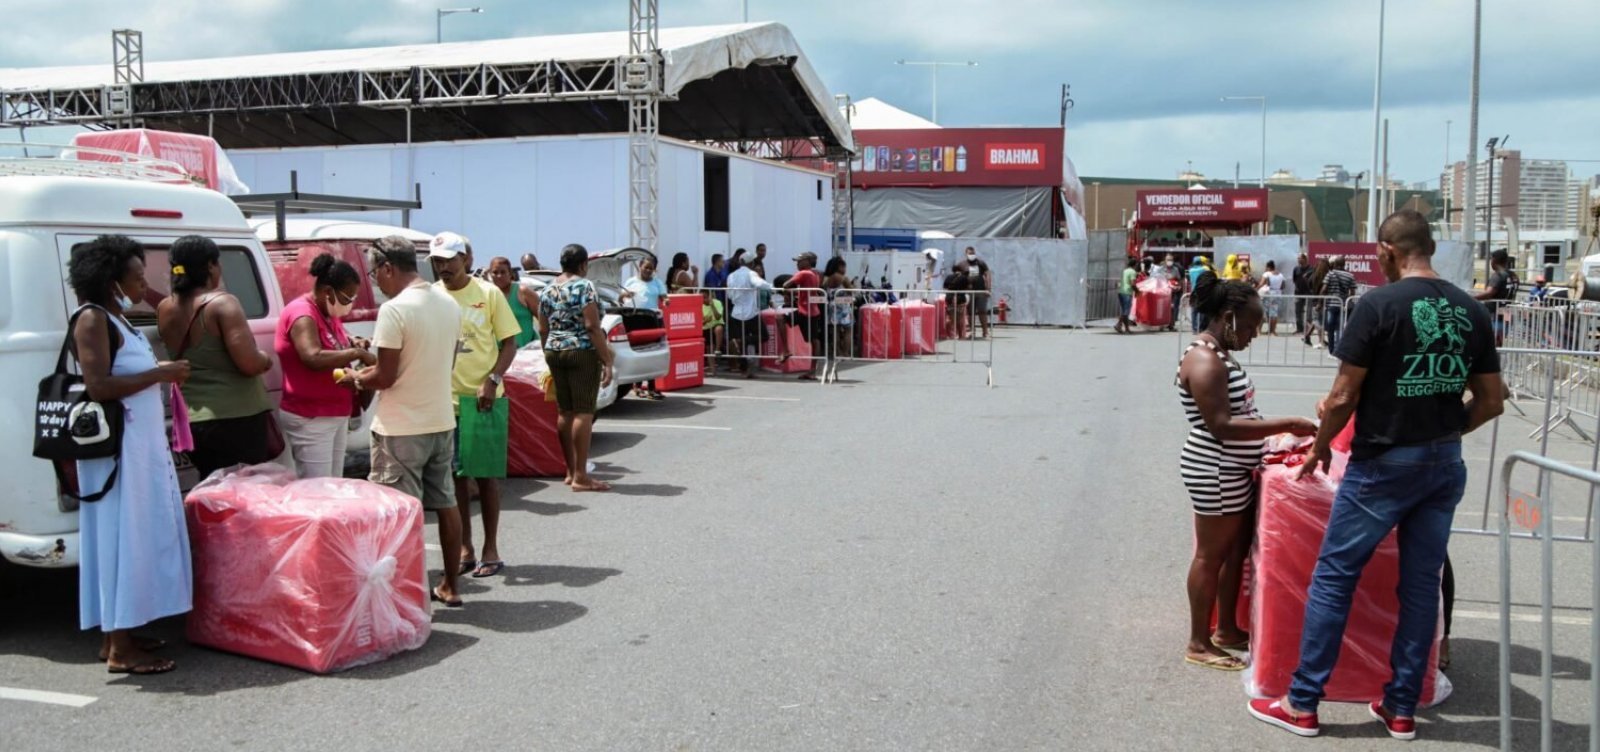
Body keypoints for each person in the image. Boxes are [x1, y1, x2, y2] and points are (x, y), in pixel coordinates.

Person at [1249, 210, 1504, 741]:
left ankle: (1302, 702)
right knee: (1418, 587)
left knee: (1334, 578)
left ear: (1387, 250)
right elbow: (1492, 400)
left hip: (1383, 463)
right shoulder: (1469, 309)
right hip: (1442, 462)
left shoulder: (1379, 305)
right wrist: (1447, 426)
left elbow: (1343, 395)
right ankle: (1402, 706)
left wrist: (1318, 449)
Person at [1177, 271, 1317, 674]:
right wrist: (1286, 424)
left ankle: (1226, 630)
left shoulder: (1220, 353)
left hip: (1232, 468)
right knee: (1211, 555)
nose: (1256, 333)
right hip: (1216, 469)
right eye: (1252, 325)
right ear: (1227, 316)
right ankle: (1199, 641)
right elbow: (1221, 424)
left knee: (1235, 552)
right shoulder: (1204, 359)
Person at [68, 235, 193, 675]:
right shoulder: (91, 319)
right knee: (124, 538)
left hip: (137, 450)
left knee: (137, 536)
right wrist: (159, 373)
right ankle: (121, 649)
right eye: (137, 276)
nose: (144, 284)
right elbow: (98, 386)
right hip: (117, 453)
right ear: (110, 279)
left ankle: (116, 633)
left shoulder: (116, 318)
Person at [346, 236, 465, 607]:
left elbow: (385, 376)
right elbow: (444, 361)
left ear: (387, 268)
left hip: (400, 428)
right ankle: (449, 585)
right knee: (446, 503)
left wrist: (356, 377)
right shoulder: (447, 303)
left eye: (374, 274)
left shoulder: (395, 310)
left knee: (399, 516)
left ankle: (403, 596)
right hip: (440, 418)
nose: (375, 282)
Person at [429, 233, 521, 581]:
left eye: (449, 260)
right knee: (454, 480)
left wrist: (493, 379)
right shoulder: (431, 295)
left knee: (485, 479)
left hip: (483, 400)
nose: (442, 267)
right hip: (442, 402)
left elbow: (509, 343)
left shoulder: (488, 293)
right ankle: (464, 547)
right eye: (437, 261)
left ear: (466, 259)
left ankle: (490, 548)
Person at [156, 235, 276, 480]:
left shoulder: (165, 308)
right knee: (243, 497)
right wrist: (265, 358)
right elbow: (249, 364)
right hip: (236, 418)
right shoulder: (223, 303)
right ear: (211, 266)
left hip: (193, 421)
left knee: (212, 493)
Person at [275, 254, 376, 479]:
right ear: (328, 291)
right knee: (318, 489)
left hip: (334, 413)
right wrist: (356, 353)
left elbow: (334, 338)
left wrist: (354, 340)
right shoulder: (303, 314)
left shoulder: (326, 312)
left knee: (332, 485)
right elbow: (312, 356)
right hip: (312, 417)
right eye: (347, 297)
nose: (350, 303)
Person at [537, 244, 615, 493]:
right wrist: (607, 360)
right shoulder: (584, 286)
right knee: (583, 412)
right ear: (583, 265)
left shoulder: (549, 288)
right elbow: (592, 325)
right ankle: (582, 475)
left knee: (565, 411)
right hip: (581, 350)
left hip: (554, 349)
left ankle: (570, 471)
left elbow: (542, 327)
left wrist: (548, 352)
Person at [622, 257, 668, 398]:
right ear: (640, 267)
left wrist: (666, 301)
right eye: (646, 267)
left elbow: (663, 297)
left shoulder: (657, 282)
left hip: (652, 320)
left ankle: (652, 387)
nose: (648, 270)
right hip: (635, 320)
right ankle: (637, 386)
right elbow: (620, 299)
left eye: (651, 268)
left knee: (652, 352)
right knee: (638, 352)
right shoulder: (631, 282)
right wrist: (625, 295)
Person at [726, 256, 776, 379]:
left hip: (736, 312)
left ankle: (746, 370)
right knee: (764, 335)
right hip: (750, 313)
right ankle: (742, 344)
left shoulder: (731, 276)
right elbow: (759, 283)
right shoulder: (750, 273)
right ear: (751, 263)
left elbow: (730, 295)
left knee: (742, 344)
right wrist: (773, 287)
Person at [783, 252, 825, 380]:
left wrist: (793, 291)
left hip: (805, 310)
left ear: (807, 261)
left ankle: (786, 350)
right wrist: (798, 292)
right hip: (812, 309)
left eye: (799, 261)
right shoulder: (816, 273)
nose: (797, 263)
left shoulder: (803, 273)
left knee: (813, 340)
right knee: (814, 340)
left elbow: (785, 285)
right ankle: (812, 370)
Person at [489, 256, 540, 348]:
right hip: (499, 356)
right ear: (490, 274)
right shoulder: (488, 296)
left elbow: (544, 320)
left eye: (503, 272)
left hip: (526, 354)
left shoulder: (523, 292)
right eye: (495, 272)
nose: (499, 276)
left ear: (510, 273)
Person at [1475, 248, 1519, 345]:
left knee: (1491, 344)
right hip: (1507, 314)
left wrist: (1471, 298)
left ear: (1494, 260)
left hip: (1494, 315)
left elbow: (1489, 293)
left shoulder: (1498, 275)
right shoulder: (1514, 276)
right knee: (1498, 343)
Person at [1319, 257, 1358, 350]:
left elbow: (1324, 289)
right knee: (1340, 328)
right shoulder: (1350, 275)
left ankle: (1331, 350)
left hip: (1331, 305)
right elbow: (1352, 293)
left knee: (1330, 328)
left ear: (1335, 264)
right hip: (1343, 305)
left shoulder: (1330, 274)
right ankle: (1339, 349)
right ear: (1344, 264)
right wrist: (1348, 301)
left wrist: (1320, 303)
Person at [954, 246, 992, 339]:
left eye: (973, 253)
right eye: (970, 253)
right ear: (966, 254)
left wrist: (988, 288)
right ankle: (972, 332)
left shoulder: (981, 263)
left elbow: (987, 274)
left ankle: (985, 332)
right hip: (968, 292)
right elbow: (956, 275)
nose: (971, 255)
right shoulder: (962, 264)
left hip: (981, 291)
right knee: (970, 312)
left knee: (982, 311)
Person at [823, 256, 854, 362]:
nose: (845, 269)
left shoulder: (826, 278)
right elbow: (851, 291)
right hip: (843, 306)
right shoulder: (843, 278)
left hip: (832, 306)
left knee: (834, 331)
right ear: (839, 266)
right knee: (848, 331)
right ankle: (845, 353)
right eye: (844, 266)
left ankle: (837, 353)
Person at [1303, 258, 1331, 349]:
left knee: (1317, 320)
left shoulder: (1313, 276)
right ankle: (1320, 340)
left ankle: (1308, 336)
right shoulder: (1327, 276)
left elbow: (1308, 284)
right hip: (1323, 301)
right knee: (1319, 321)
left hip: (1315, 300)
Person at [701, 288, 726, 374]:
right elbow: (699, 322)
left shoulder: (717, 302)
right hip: (706, 327)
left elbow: (718, 317)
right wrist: (705, 321)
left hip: (716, 324)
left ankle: (718, 349)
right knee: (709, 348)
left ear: (710, 296)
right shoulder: (699, 305)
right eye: (701, 297)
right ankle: (713, 370)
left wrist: (712, 305)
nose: (703, 300)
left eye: (705, 297)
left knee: (718, 328)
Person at [1259, 260, 1287, 336]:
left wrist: (1255, 289)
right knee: (1274, 313)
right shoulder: (1281, 275)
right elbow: (1283, 286)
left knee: (1263, 312)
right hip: (1278, 294)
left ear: (1268, 267)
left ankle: (1259, 331)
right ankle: (1272, 331)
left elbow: (1261, 283)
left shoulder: (1267, 274)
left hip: (1269, 294)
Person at [1187, 257, 1212, 333]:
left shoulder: (1191, 270)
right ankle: (1201, 328)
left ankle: (1194, 328)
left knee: (1194, 311)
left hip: (1193, 291)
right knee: (1202, 310)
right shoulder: (1204, 269)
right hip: (1202, 291)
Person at [1292, 253, 1314, 335]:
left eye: (1300, 258)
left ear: (1305, 259)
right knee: (1298, 312)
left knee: (1309, 313)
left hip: (1309, 293)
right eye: (1298, 258)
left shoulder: (1311, 269)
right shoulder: (1296, 269)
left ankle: (1307, 331)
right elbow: (1294, 280)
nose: (1298, 260)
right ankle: (1299, 329)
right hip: (1298, 293)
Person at [1116, 257, 1138, 334]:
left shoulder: (1125, 271)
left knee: (1124, 311)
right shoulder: (1133, 272)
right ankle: (1118, 324)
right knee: (1126, 311)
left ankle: (1126, 329)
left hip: (1121, 292)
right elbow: (1132, 283)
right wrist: (1137, 291)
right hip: (1127, 293)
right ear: (1135, 265)